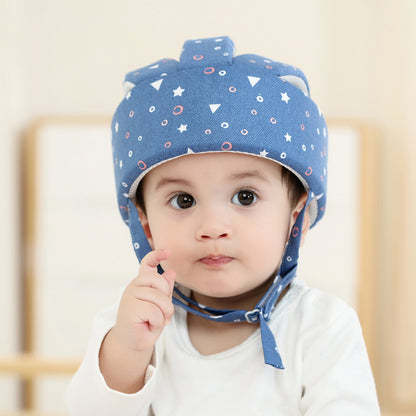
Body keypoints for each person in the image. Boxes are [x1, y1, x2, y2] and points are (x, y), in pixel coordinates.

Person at [66, 36, 380, 415]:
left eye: (245, 197)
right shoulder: (136, 319)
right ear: (145, 223)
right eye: (183, 200)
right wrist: (128, 352)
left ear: (296, 214)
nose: (213, 227)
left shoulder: (322, 327)